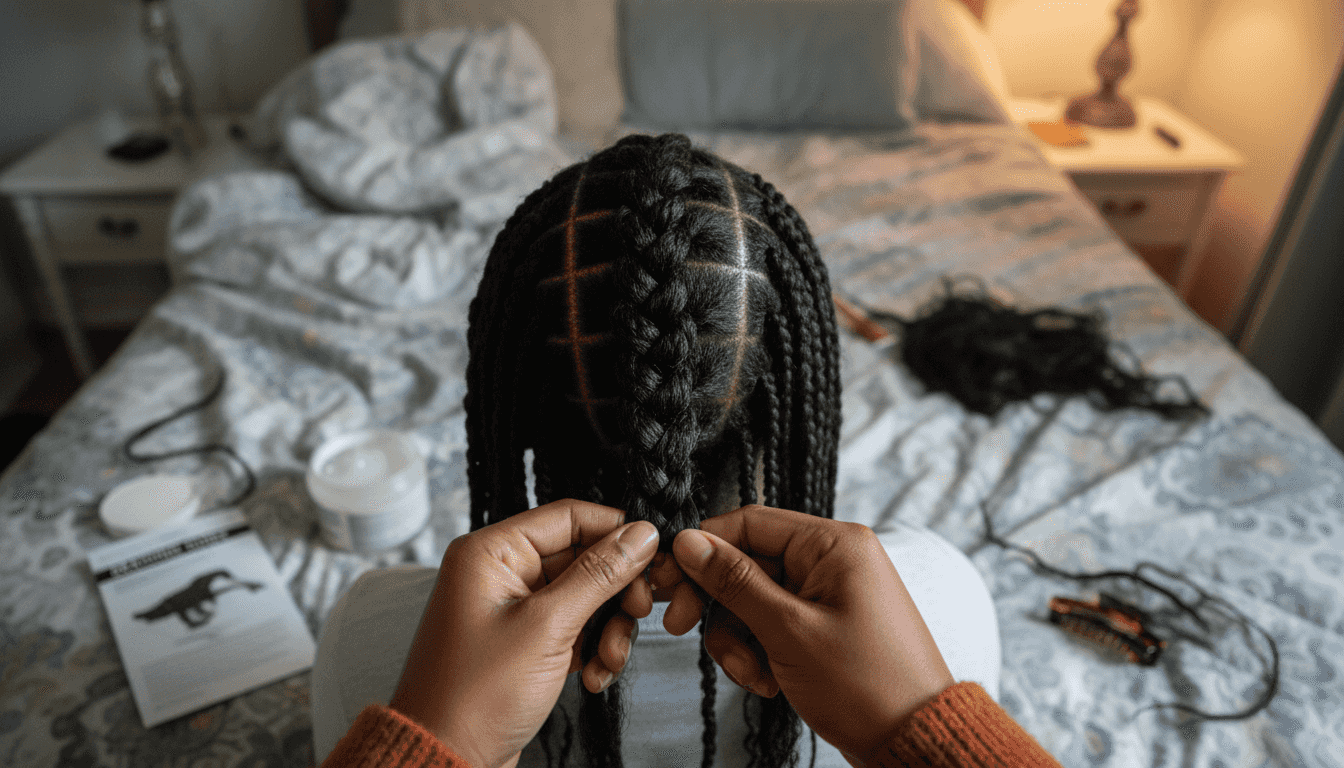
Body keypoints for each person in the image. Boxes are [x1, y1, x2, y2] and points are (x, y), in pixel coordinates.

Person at [310, 133, 1041, 767]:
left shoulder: (372, 651)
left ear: (519, 404)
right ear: (790, 400)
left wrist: (446, 744)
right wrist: (912, 734)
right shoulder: (942, 614)